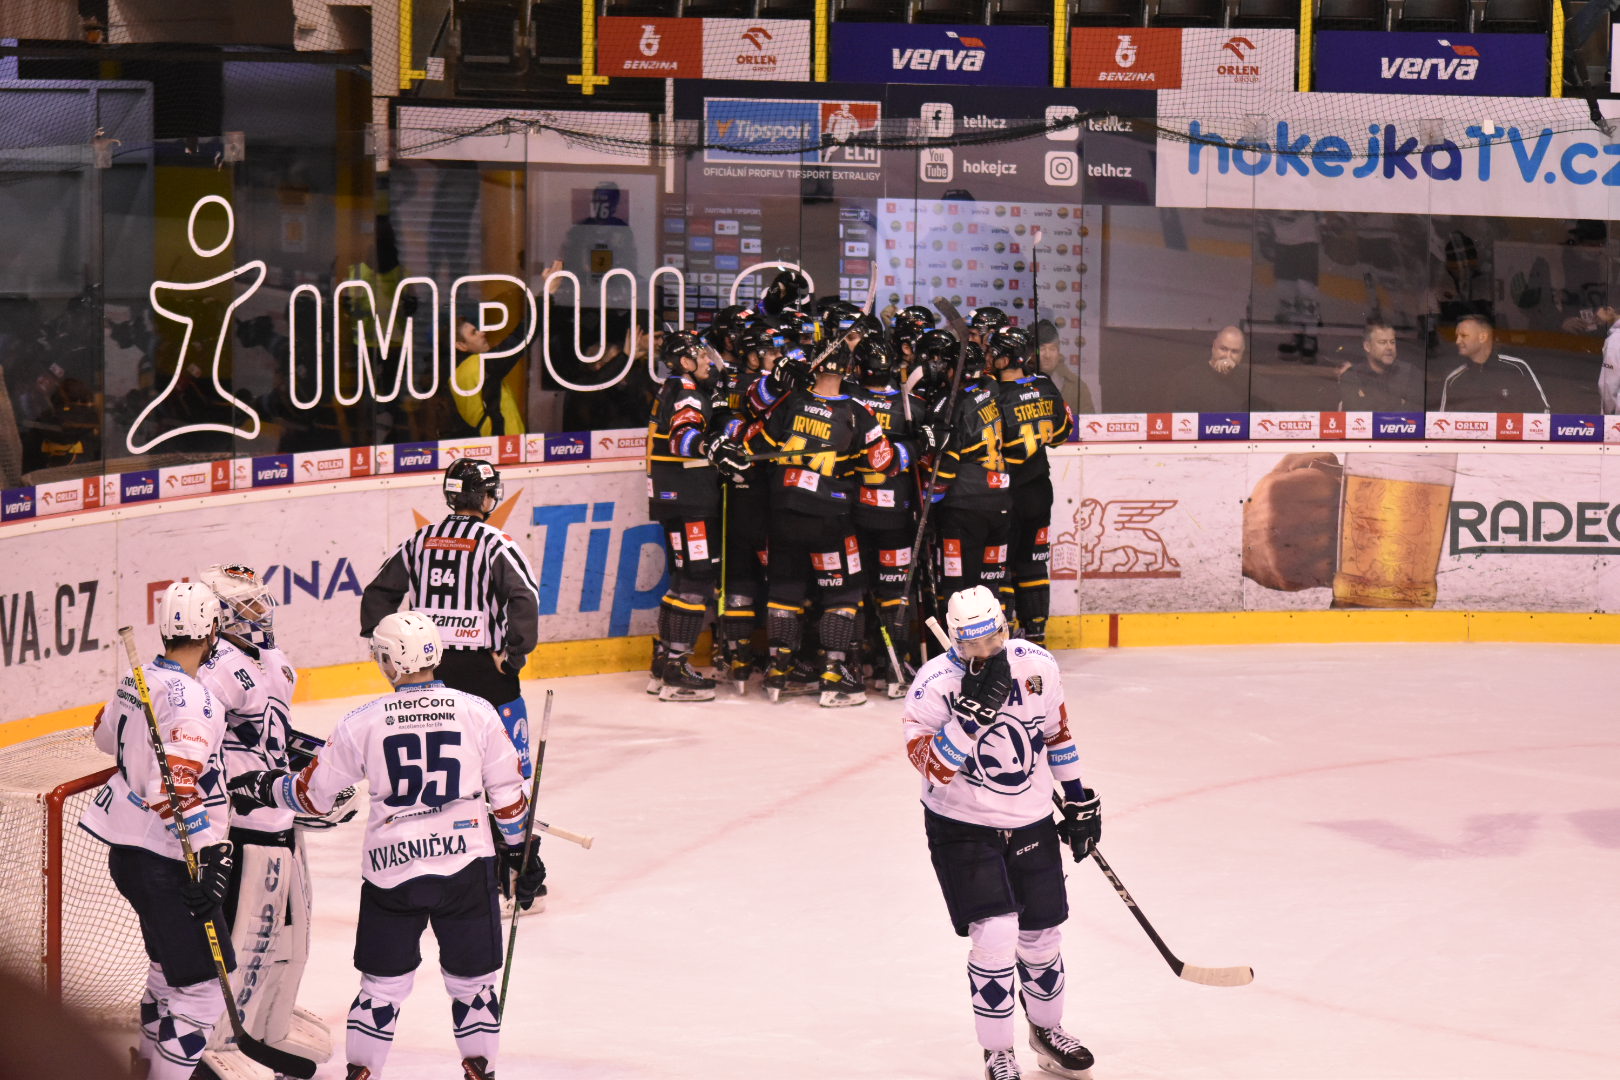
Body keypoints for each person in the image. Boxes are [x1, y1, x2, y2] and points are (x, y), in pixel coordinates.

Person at [227, 612, 544, 1080]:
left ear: (391, 660)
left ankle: (363, 1073)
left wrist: (261, 786)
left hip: (391, 870)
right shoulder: (478, 711)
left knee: (381, 987)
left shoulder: (363, 722)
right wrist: (520, 852)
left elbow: (313, 796)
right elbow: (508, 796)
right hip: (465, 867)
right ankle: (482, 1071)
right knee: (474, 986)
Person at [902, 586, 1101, 1080]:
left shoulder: (1036, 665)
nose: (987, 651)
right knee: (995, 934)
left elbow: (1056, 733)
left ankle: (1047, 1032)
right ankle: (997, 1052)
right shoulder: (933, 685)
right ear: (955, 641)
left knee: (1041, 935)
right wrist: (966, 723)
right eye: (972, 644)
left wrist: (1077, 797)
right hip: (961, 826)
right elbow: (932, 769)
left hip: (1030, 819)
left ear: (1005, 628)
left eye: (993, 639)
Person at [79, 582, 233, 1080]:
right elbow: (173, 787)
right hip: (168, 860)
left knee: (167, 973)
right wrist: (207, 856)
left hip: (129, 854)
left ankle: (146, 1063)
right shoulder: (197, 701)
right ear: (211, 630)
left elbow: (105, 739)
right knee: (204, 992)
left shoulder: (137, 677)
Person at [193, 565, 341, 1078]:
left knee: (291, 942)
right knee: (246, 943)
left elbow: (272, 738)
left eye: (260, 601)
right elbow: (202, 749)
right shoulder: (212, 670)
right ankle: (216, 1042)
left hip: (281, 820)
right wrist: (227, 804)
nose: (260, 613)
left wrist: (325, 761)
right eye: (247, 606)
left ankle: (267, 1027)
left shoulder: (274, 661)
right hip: (242, 829)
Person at [744, 337, 900, 706]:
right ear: (847, 369)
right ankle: (834, 674)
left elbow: (754, 445)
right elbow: (882, 463)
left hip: (784, 511)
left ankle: (778, 671)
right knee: (842, 591)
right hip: (830, 515)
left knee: (785, 589)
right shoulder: (857, 411)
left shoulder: (790, 401)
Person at [360, 459, 540, 776]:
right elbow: (525, 597)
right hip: (485, 667)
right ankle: (509, 806)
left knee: (441, 748)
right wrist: (514, 655)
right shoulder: (496, 543)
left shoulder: (420, 540)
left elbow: (378, 592)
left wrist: (386, 651)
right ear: (486, 498)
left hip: (429, 665)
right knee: (507, 760)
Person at [643, 330, 746, 701]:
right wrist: (710, 446)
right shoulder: (687, 391)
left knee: (682, 578)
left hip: (672, 498)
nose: (708, 362)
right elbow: (682, 436)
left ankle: (664, 662)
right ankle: (676, 667)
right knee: (698, 580)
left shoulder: (675, 386)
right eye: (701, 356)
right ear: (685, 362)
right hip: (690, 500)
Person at [914, 329, 1012, 620]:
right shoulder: (992, 387)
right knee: (991, 586)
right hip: (1000, 501)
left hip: (964, 507)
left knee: (959, 588)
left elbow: (945, 467)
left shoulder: (949, 403)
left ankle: (964, 646)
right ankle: (997, 642)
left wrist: (928, 502)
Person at [847, 334, 924, 697]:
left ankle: (852, 664)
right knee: (894, 590)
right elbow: (926, 453)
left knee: (850, 590)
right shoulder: (912, 405)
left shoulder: (847, 400)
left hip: (854, 512)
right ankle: (892, 666)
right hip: (895, 514)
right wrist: (919, 442)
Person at [989, 326, 1072, 647]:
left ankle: (1006, 634)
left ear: (1007, 357)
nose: (990, 357)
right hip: (1039, 488)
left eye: (994, 352)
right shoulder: (1045, 384)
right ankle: (1036, 635)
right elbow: (1062, 433)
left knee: (1003, 565)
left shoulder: (993, 392)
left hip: (1006, 491)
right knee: (1034, 562)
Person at [1437, 312, 1549, 413]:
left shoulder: (1518, 368)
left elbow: (1542, 413)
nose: (1457, 341)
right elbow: (1444, 422)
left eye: (1463, 336)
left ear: (1482, 337)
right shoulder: (1454, 379)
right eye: (1456, 336)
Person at [1337, 319, 1424, 411]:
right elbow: (1354, 413)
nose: (1389, 347)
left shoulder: (1411, 373)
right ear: (1367, 346)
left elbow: (1416, 413)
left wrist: (1367, 400)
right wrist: (1399, 402)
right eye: (1382, 342)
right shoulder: (1351, 375)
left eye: (1392, 342)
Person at [1164, 325, 1250, 414]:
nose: (1228, 356)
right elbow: (1172, 416)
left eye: (1235, 351)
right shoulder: (1187, 378)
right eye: (1223, 349)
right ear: (1214, 346)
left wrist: (1236, 374)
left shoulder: (1249, 381)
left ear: (1242, 353)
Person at [1595, 304, 1620, 413]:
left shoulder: (1615, 340)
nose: (1596, 318)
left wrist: (1608, 416)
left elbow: (1608, 384)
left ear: (1609, 310)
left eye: (1597, 315)